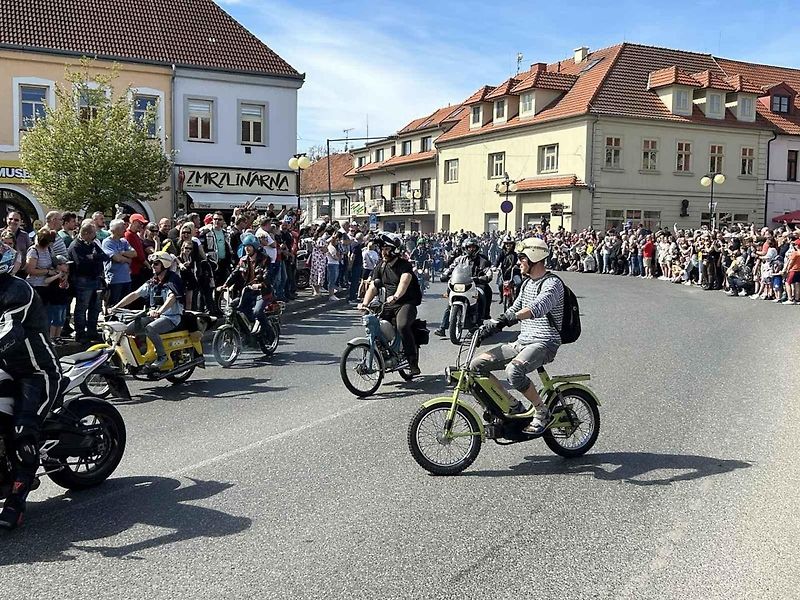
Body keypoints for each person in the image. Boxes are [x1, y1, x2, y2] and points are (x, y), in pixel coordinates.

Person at [471, 237, 565, 435]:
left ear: (534, 258)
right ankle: (513, 407)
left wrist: (509, 319)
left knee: (513, 371)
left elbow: (538, 307)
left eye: (522, 258)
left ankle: (542, 411)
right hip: (523, 342)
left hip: (545, 342)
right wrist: (493, 325)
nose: (518, 262)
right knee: (476, 365)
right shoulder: (527, 283)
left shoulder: (553, 283)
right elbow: (515, 308)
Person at [0, 244, 64, 530]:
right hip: (6, 369)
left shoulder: (16, 290)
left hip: (36, 372)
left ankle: (15, 502)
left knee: (22, 432)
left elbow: (9, 332)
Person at [359, 232, 422, 375]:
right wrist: (364, 303)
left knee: (402, 326)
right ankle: (382, 353)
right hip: (388, 304)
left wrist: (396, 296)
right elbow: (373, 287)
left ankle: (412, 362)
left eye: (387, 249)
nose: (384, 252)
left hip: (405, 303)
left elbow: (404, 281)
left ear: (395, 249)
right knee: (373, 323)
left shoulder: (404, 265)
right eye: (382, 249)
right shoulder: (381, 266)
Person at [108, 251, 184, 369]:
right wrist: (116, 307)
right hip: (153, 316)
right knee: (126, 329)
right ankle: (140, 355)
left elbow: (172, 298)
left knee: (150, 328)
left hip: (171, 317)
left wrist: (159, 311)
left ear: (164, 264)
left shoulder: (173, 280)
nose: (152, 266)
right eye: (152, 263)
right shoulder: (153, 281)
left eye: (156, 264)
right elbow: (135, 294)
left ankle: (162, 356)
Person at [433, 237, 492, 337]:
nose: (471, 249)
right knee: (450, 303)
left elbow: (488, 273)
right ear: (465, 248)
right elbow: (451, 268)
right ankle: (442, 328)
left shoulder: (483, 260)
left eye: (473, 247)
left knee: (481, 295)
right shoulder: (460, 259)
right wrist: (445, 274)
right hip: (461, 283)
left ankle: (478, 322)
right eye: (469, 247)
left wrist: (482, 278)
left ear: (477, 248)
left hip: (475, 284)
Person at [220, 234, 270, 332]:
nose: (247, 248)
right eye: (245, 246)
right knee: (234, 308)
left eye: (249, 246)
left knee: (257, 312)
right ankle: (246, 332)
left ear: (255, 247)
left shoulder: (264, 259)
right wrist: (225, 285)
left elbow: (268, 274)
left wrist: (260, 284)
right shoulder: (243, 260)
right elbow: (235, 273)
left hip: (262, 292)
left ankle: (268, 332)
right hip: (247, 291)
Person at [68, 222, 108, 342]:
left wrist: (93, 257)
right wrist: (92, 259)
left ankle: (92, 331)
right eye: (93, 233)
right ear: (86, 233)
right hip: (83, 281)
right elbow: (81, 264)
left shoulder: (93, 244)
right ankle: (80, 334)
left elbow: (105, 256)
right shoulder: (75, 246)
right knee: (82, 308)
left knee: (95, 308)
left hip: (96, 279)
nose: (95, 236)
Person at [102, 219, 138, 306]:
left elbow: (134, 253)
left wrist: (122, 253)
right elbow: (117, 258)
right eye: (122, 228)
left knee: (125, 305)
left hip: (127, 279)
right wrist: (127, 259)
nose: (125, 230)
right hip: (114, 280)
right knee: (113, 305)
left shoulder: (124, 241)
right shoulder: (107, 242)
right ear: (115, 230)